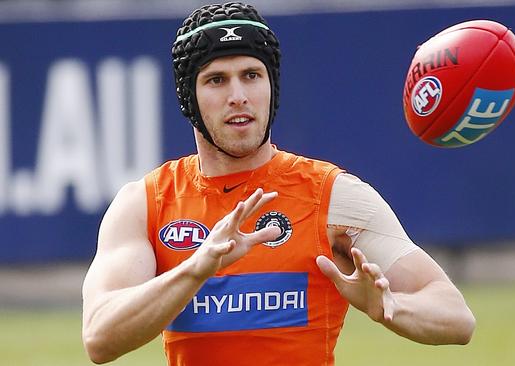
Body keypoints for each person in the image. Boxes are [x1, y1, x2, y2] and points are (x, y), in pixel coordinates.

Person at [81, 2, 475, 365]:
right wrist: (196, 269)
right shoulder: (146, 202)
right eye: (216, 80)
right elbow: (99, 337)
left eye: (251, 75)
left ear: (272, 87)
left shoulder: (333, 196)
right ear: (189, 98)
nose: (238, 96)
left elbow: (456, 317)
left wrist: (390, 307)